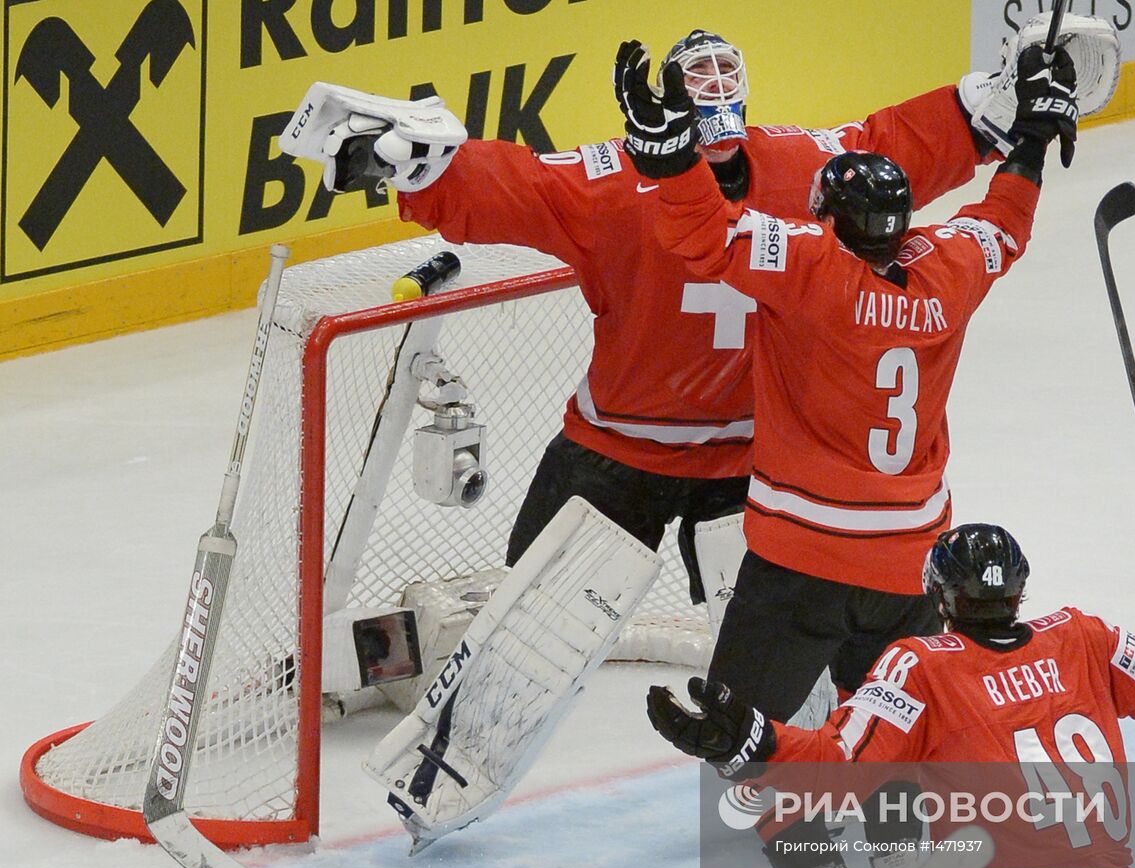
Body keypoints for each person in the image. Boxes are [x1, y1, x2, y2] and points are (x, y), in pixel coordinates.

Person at [282, 27, 1039, 632]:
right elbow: (895, 145)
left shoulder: (619, 183)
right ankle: (807, 769)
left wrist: (422, 170)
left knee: (533, 638)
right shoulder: (804, 169)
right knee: (543, 634)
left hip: (704, 460)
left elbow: (522, 185)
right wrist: (995, 113)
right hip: (715, 459)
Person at [617, 38, 1079, 868]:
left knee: (740, 734)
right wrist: (1031, 138)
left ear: (829, 220)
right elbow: (1005, 221)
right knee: (897, 734)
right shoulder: (948, 267)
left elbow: (703, 231)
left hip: (801, 565)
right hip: (915, 567)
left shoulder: (810, 270)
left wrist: (665, 151)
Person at [648, 511, 1135, 868]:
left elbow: (838, 770)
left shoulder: (919, 666)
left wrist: (752, 740)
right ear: (1020, 589)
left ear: (940, 598)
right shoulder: (1083, 635)